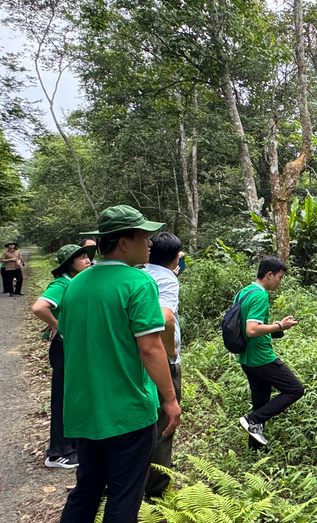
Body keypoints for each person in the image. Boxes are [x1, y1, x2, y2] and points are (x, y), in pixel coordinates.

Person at [58, 205, 181, 523]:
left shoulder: (76, 286)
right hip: (126, 412)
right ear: (124, 242)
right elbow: (151, 349)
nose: (150, 243)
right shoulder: (138, 283)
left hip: (84, 410)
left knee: (86, 489)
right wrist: (170, 399)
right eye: (144, 236)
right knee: (124, 496)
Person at [31, 244, 97, 469]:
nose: (87, 260)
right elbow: (39, 307)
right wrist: (59, 326)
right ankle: (57, 453)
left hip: (74, 347)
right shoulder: (62, 283)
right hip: (64, 347)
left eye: (87, 256)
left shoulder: (77, 282)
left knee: (74, 395)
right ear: (69, 264)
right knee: (62, 397)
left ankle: (72, 445)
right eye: (80, 257)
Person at [236, 256, 304, 447]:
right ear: (269, 274)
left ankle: (255, 449)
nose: (280, 281)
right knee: (295, 389)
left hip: (247, 357)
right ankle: (252, 420)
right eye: (280, 277)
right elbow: (251, 329)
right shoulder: (260, 295)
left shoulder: (244, 292)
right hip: (261, 357)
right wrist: (278, 325)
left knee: (261, 401)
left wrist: (278, 328)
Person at [143, 232, 184, 499]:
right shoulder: (167, 278)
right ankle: (158, 491)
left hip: (138, 358)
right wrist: (170, 351)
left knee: (145, 422)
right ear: (174, 258)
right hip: (160, 359)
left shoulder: (141, 273)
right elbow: (165, 318)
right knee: (165, 423)